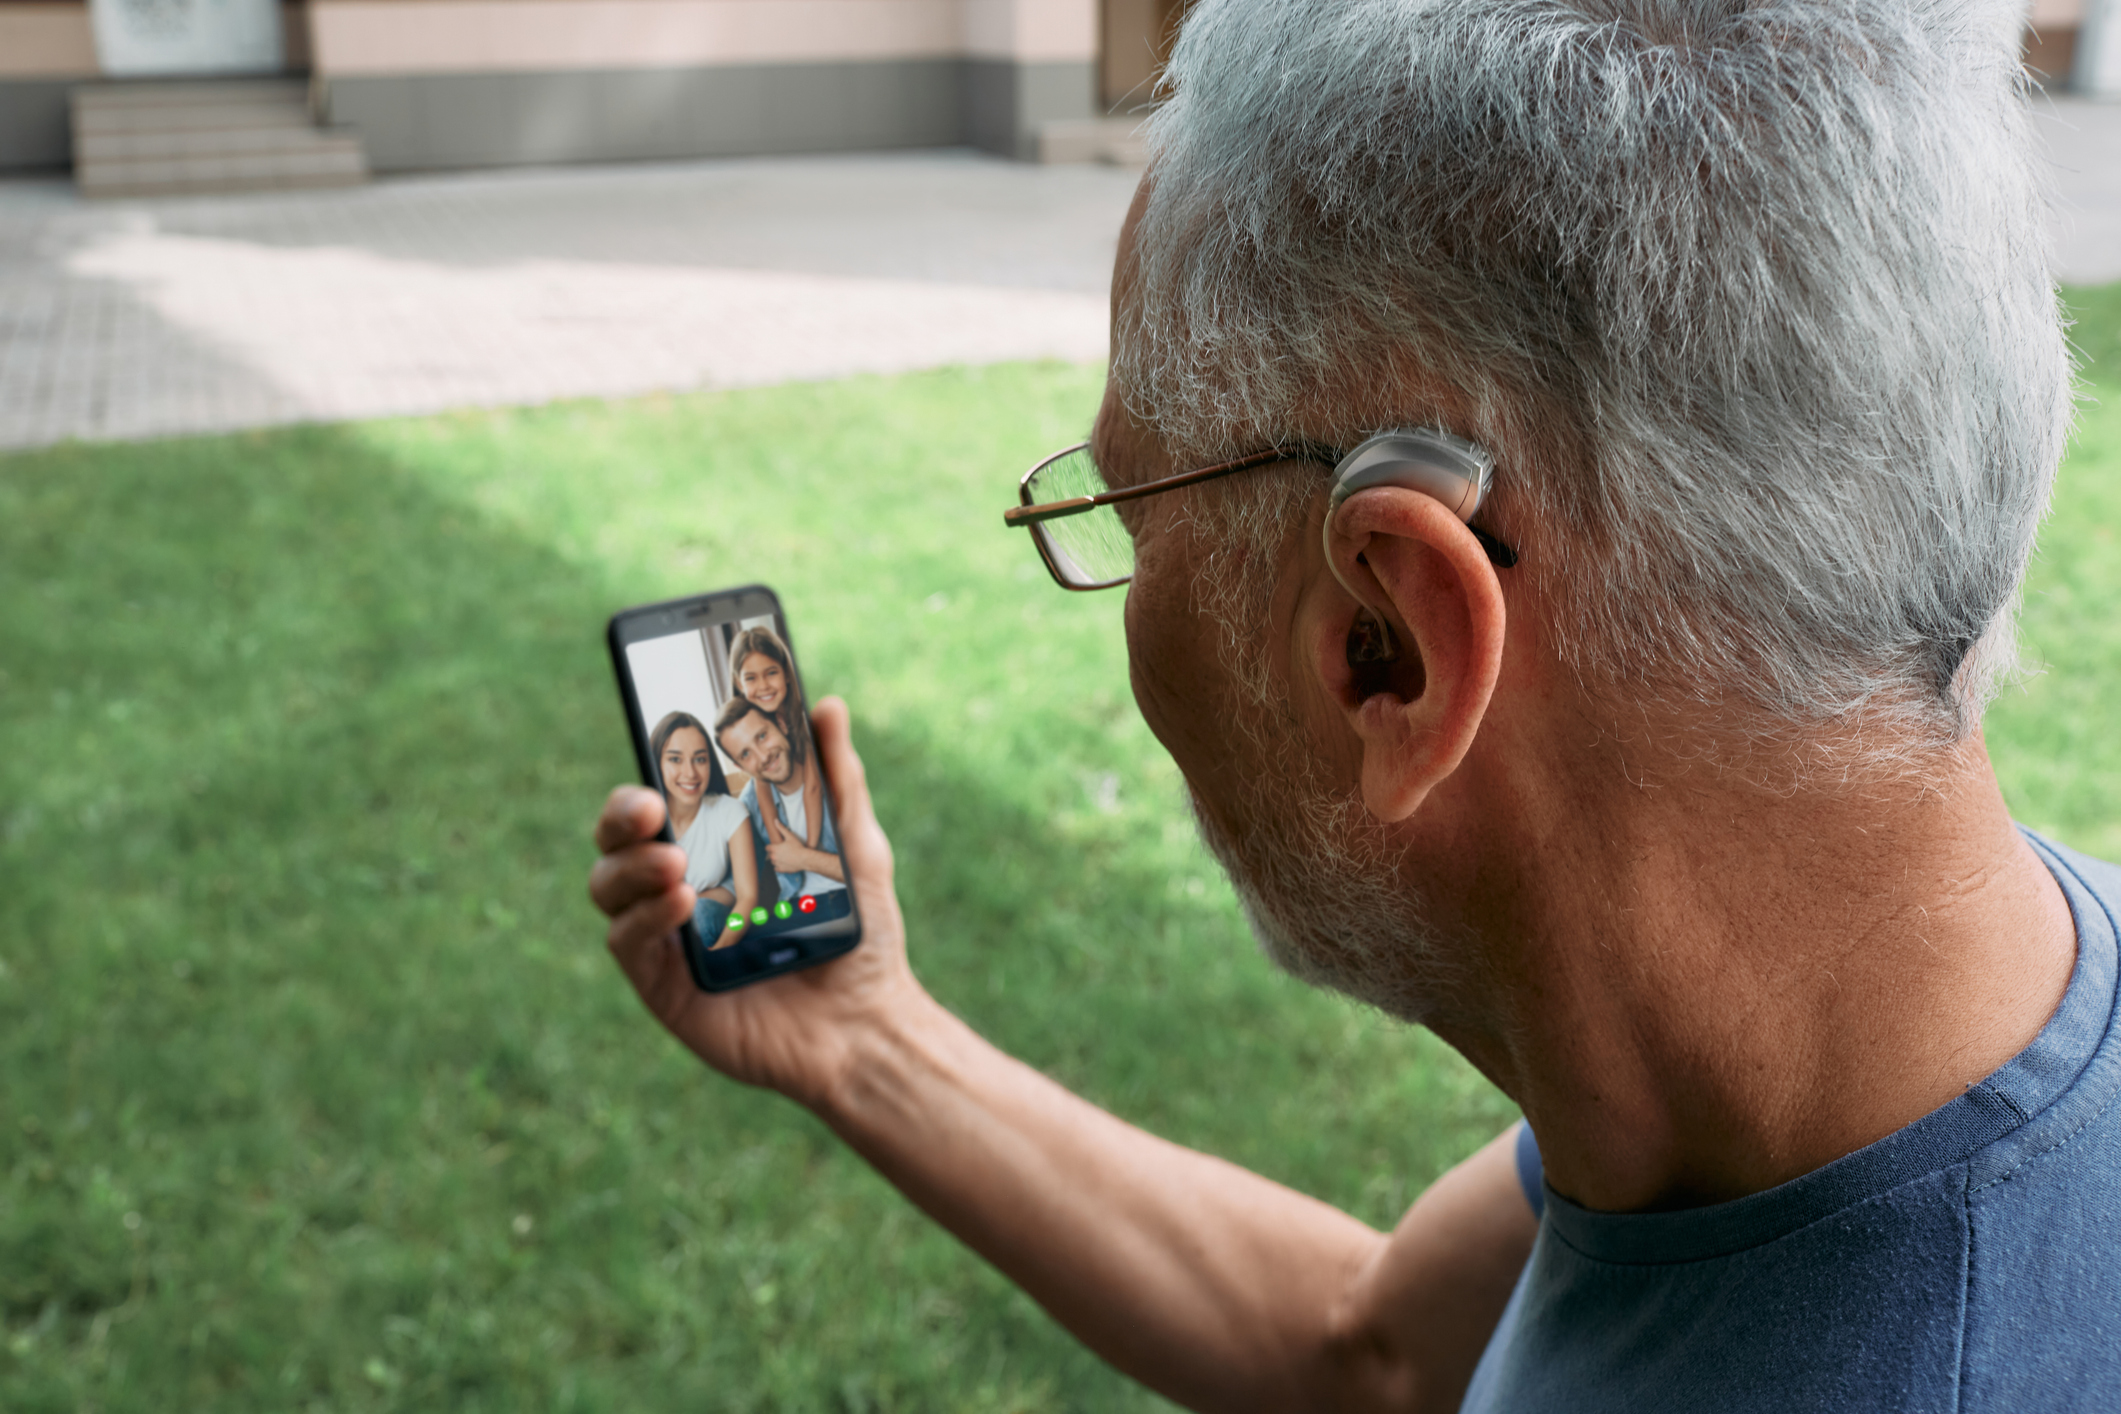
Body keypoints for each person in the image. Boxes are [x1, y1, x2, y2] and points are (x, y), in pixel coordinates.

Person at [590, 1, 2121, 1409]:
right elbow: (1376, 1349)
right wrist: (870, 1040)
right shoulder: (1842, 1043)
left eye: (1131, 516)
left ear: (1386, 646)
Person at [712, 697, 847, 916]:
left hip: (851, 902)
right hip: (796, 910)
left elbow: (867, 868)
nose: (763, 756)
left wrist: (803, 858)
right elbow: (736, 878)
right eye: (746, 754)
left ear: (781, 724)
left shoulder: (832, 771)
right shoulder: (749, 804)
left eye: (762, 736)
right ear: (739, 766)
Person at [647, 711, 759, 951]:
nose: (690, 773)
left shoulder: (729, 811)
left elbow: (747, 898)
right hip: (665, 931)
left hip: (713, 927)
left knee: (702, 913)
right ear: (656, 761)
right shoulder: (647, 821)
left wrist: (720, 952)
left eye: (700, 759)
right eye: (675, 759)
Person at [728, 624, 826, 860]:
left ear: (786, 674)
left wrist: (806, 853)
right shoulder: (749, 728)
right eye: (751, 678)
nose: (763, 686)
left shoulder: (803, 721)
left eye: (771, 673)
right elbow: (763, 793)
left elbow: (813, 788)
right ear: (740, 684)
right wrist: (780, 848)